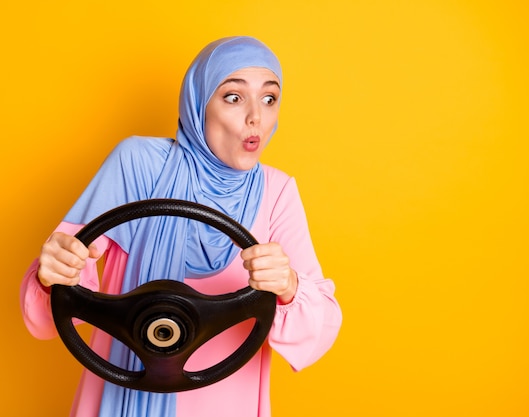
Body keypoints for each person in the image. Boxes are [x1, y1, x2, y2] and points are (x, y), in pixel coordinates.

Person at [20, 36, 342, 417]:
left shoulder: (278, 191)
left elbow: (319, 332)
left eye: (269, 99)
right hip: (125, 397)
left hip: (226, 404)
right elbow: (49, 311)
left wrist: (289, 286)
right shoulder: (138, 164)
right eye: (234, 97)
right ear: (197, 102)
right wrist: (53, 272)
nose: (256, 116)